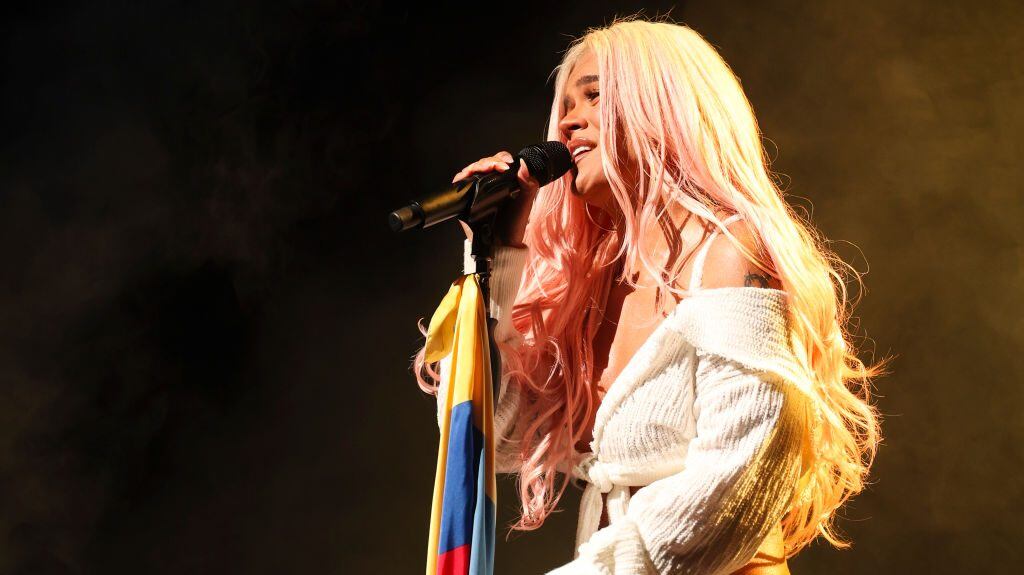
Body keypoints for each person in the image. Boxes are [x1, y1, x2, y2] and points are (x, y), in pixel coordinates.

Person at [415, 17, 886, 575]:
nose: (566, 122)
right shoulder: (598, 279)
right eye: (563, 105)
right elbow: (495, 439)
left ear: (666, 108)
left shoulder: (734, 250)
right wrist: (500, 255)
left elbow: (737, 478)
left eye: (593, 96)